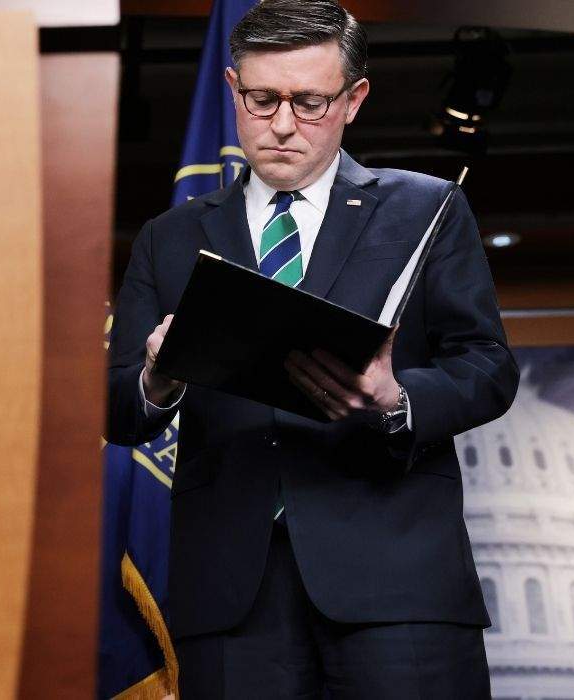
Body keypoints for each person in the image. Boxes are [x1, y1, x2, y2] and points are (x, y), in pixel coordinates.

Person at [104, 1, 520, 697]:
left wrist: (397, 399)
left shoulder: (427, 210)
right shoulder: (168, 237)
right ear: (232, 89)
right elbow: (116, 409)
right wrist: (155, 376)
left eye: (309, 101)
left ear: (353, 100)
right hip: (229, 595)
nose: (283, 125)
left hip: (396, 585)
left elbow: (487, 367)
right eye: (262, 100)